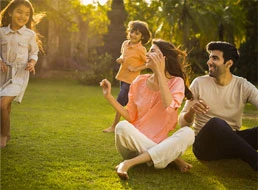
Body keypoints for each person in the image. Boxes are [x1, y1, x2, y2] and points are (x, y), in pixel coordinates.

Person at [100, 39, 195, 180]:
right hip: (132, 144)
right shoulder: (138, 82)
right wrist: (109, 97)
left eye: (152, 51)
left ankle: (129, 163)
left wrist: (159, 72)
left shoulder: (176, 82)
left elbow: (169, 107)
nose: (147, 54)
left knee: (188, 133)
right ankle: (172, 159)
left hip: (154, 143)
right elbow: (130, 116)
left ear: (164, 58)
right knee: (121, 127)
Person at [179, 41, 258, 171]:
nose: (209, 62)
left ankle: (240, 151)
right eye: (209, 57)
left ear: (229, 63)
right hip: (205, 147)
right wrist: (192, 111)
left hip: (231, 143)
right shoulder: (199, 83)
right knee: (216, 123)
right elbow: (182, 124)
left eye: (215, 58)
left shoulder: (242, 85)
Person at [0, 0, 41, 148]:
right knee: (5, 106)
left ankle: (3, 135)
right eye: (19, 12)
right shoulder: (1, 32)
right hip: (2, 74)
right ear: (11, 12)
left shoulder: (29, 35)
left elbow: (34, 53)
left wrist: (32, 63)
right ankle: (5, 132)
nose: (23, 16)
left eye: (27, 14)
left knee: (2, 104)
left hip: (19, 75)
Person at [103, 20, 151, 133]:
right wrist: (121, 58)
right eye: (132, 32)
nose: (133, 35)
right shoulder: (125, 43)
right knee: (129, 103)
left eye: (137, 33)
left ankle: (114, 126)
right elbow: (123, 54)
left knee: (119, 102)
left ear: (142, 37)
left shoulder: (141, 49)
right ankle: (138, 125)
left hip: (132, 81)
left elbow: (148, 63)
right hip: (122, 77)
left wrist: (135, 69)